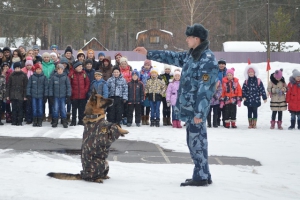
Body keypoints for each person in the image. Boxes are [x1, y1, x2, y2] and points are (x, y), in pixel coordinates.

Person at [134, 23, 218, 186]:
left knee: (196, 142)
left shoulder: (207, 59)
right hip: (191, 108)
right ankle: (203, 173)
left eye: (188, 37)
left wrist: (199, 113)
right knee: (197, 141)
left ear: (196, 39)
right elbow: (171, 57)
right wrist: (149, 53)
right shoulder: (192, 55)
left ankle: (200, 177)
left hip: (196, 110)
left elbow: (206, 88)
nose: (186, 40)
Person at [242, 64, 267, 129]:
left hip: (256, 99)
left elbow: (262, 89)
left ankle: (254, 123)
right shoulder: (246, 81)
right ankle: (250, 123)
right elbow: (243, 90)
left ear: (254, 73)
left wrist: (264, 97)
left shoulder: (258, 81)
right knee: (249, 112)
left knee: (255, 111)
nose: (251, 73)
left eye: (252, 72)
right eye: (249, 72)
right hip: (248, 99)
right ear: (248, 73)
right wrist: (244, 96)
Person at [49, 64, 71, 128]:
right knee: (55, 109)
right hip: (55, 96)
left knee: (63, 109)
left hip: (63, 96)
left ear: (63, 70)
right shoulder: (53, 77)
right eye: (59, 69)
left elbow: (68, 87)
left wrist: (68, 95)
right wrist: (50, 95)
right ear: (56, 70)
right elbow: (51, 87)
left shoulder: (65, 77)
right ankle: (55, 121)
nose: (60, 71)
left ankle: (64, 121)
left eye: (61, 69)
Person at [68, 61, 90, 126]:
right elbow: (69, 84)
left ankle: (81, 120)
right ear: (75, 68)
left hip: (82, 95)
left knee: (82, 109)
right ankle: (73, 121)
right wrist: (71, 91)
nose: (81, 68)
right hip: (74, 96)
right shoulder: (71, 74)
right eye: (79, 66)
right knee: (74, 109)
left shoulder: (84, 74)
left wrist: (85, 90)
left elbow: (87, 83)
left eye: (81, 66)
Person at [139, 59, 152, 125]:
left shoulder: (152, 72)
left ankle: (147, 118)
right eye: (145, 65)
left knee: (147, 105)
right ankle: (142, 118)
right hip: (142, 90)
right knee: (142, 105)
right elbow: (139, 79)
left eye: (148, 65)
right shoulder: (141, 72)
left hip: (149, 91)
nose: (146, 66)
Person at [217, 58, 227, 127]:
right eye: (220, 64)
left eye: (223, 64)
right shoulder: (216, 71)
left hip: (225, 92)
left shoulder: (227, 72)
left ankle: (224, 121)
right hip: (217, 91)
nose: (221, 65)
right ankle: (217, 120)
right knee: (218, 108)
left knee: (225, 108)